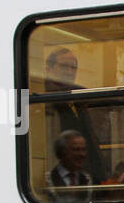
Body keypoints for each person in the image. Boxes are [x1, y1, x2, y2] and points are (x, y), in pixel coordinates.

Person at [43, 48, 107, 183]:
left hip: (82, 174)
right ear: (48, 69)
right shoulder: (43, 99)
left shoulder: (78, 99)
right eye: (64, 66)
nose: (69, 72)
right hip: (59, 174)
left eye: (73, 68)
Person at [48, 129, 92, 202]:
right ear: (62, 151)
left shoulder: (89, 179)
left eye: (84, 149)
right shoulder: (47, 180)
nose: (82, 154)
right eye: (76, 150)